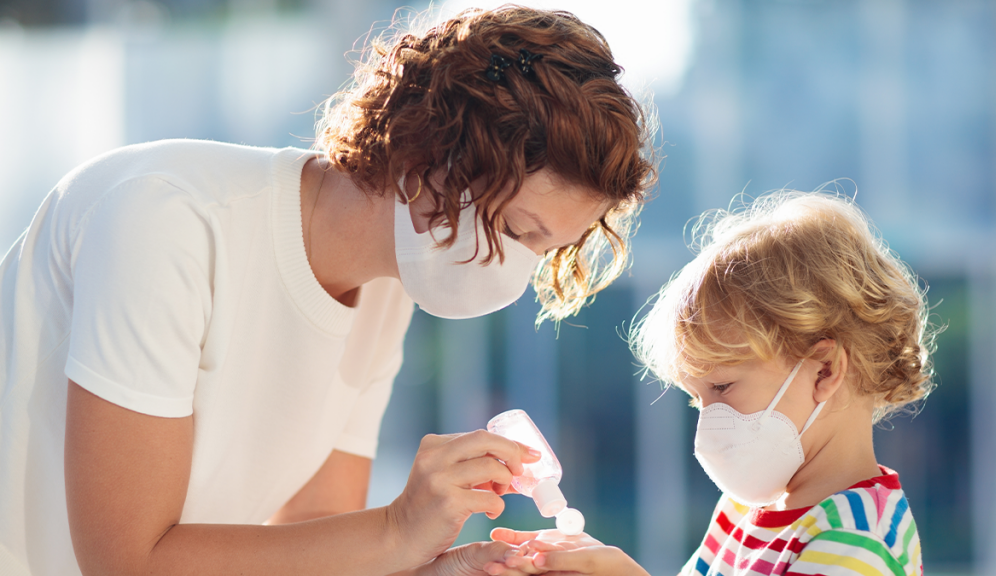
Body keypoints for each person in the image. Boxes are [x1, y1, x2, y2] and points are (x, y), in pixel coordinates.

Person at [0, 6, 657, 576]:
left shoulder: (384, 288)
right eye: (518, 231)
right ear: (430, 150)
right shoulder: (167, 219)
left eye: (544, 252)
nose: (516, 274)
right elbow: (127, 561)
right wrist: (400, 526)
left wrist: (446, 567)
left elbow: (312, 539)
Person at [488, 191, 936, 576]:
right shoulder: (746, 509)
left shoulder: (857, 543)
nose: (708, 425)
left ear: (824, 370)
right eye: (696, 399)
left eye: (722, 388)